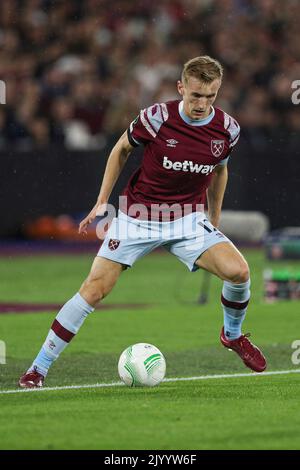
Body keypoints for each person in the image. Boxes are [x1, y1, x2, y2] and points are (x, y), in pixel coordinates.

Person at [19, 56, 266, 388]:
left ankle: (232, 335)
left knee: (240, 272)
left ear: (217, 92)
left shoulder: (227, 130)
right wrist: (102, 200)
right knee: (94, 290)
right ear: (181, 88)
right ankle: (38, 367)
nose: (201, 104)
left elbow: (220, 170)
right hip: (138, 217)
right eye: (195, 96)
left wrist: (215, 217)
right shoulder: (156, 118)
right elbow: (121, 148)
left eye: (209, 97)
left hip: (188, 219)